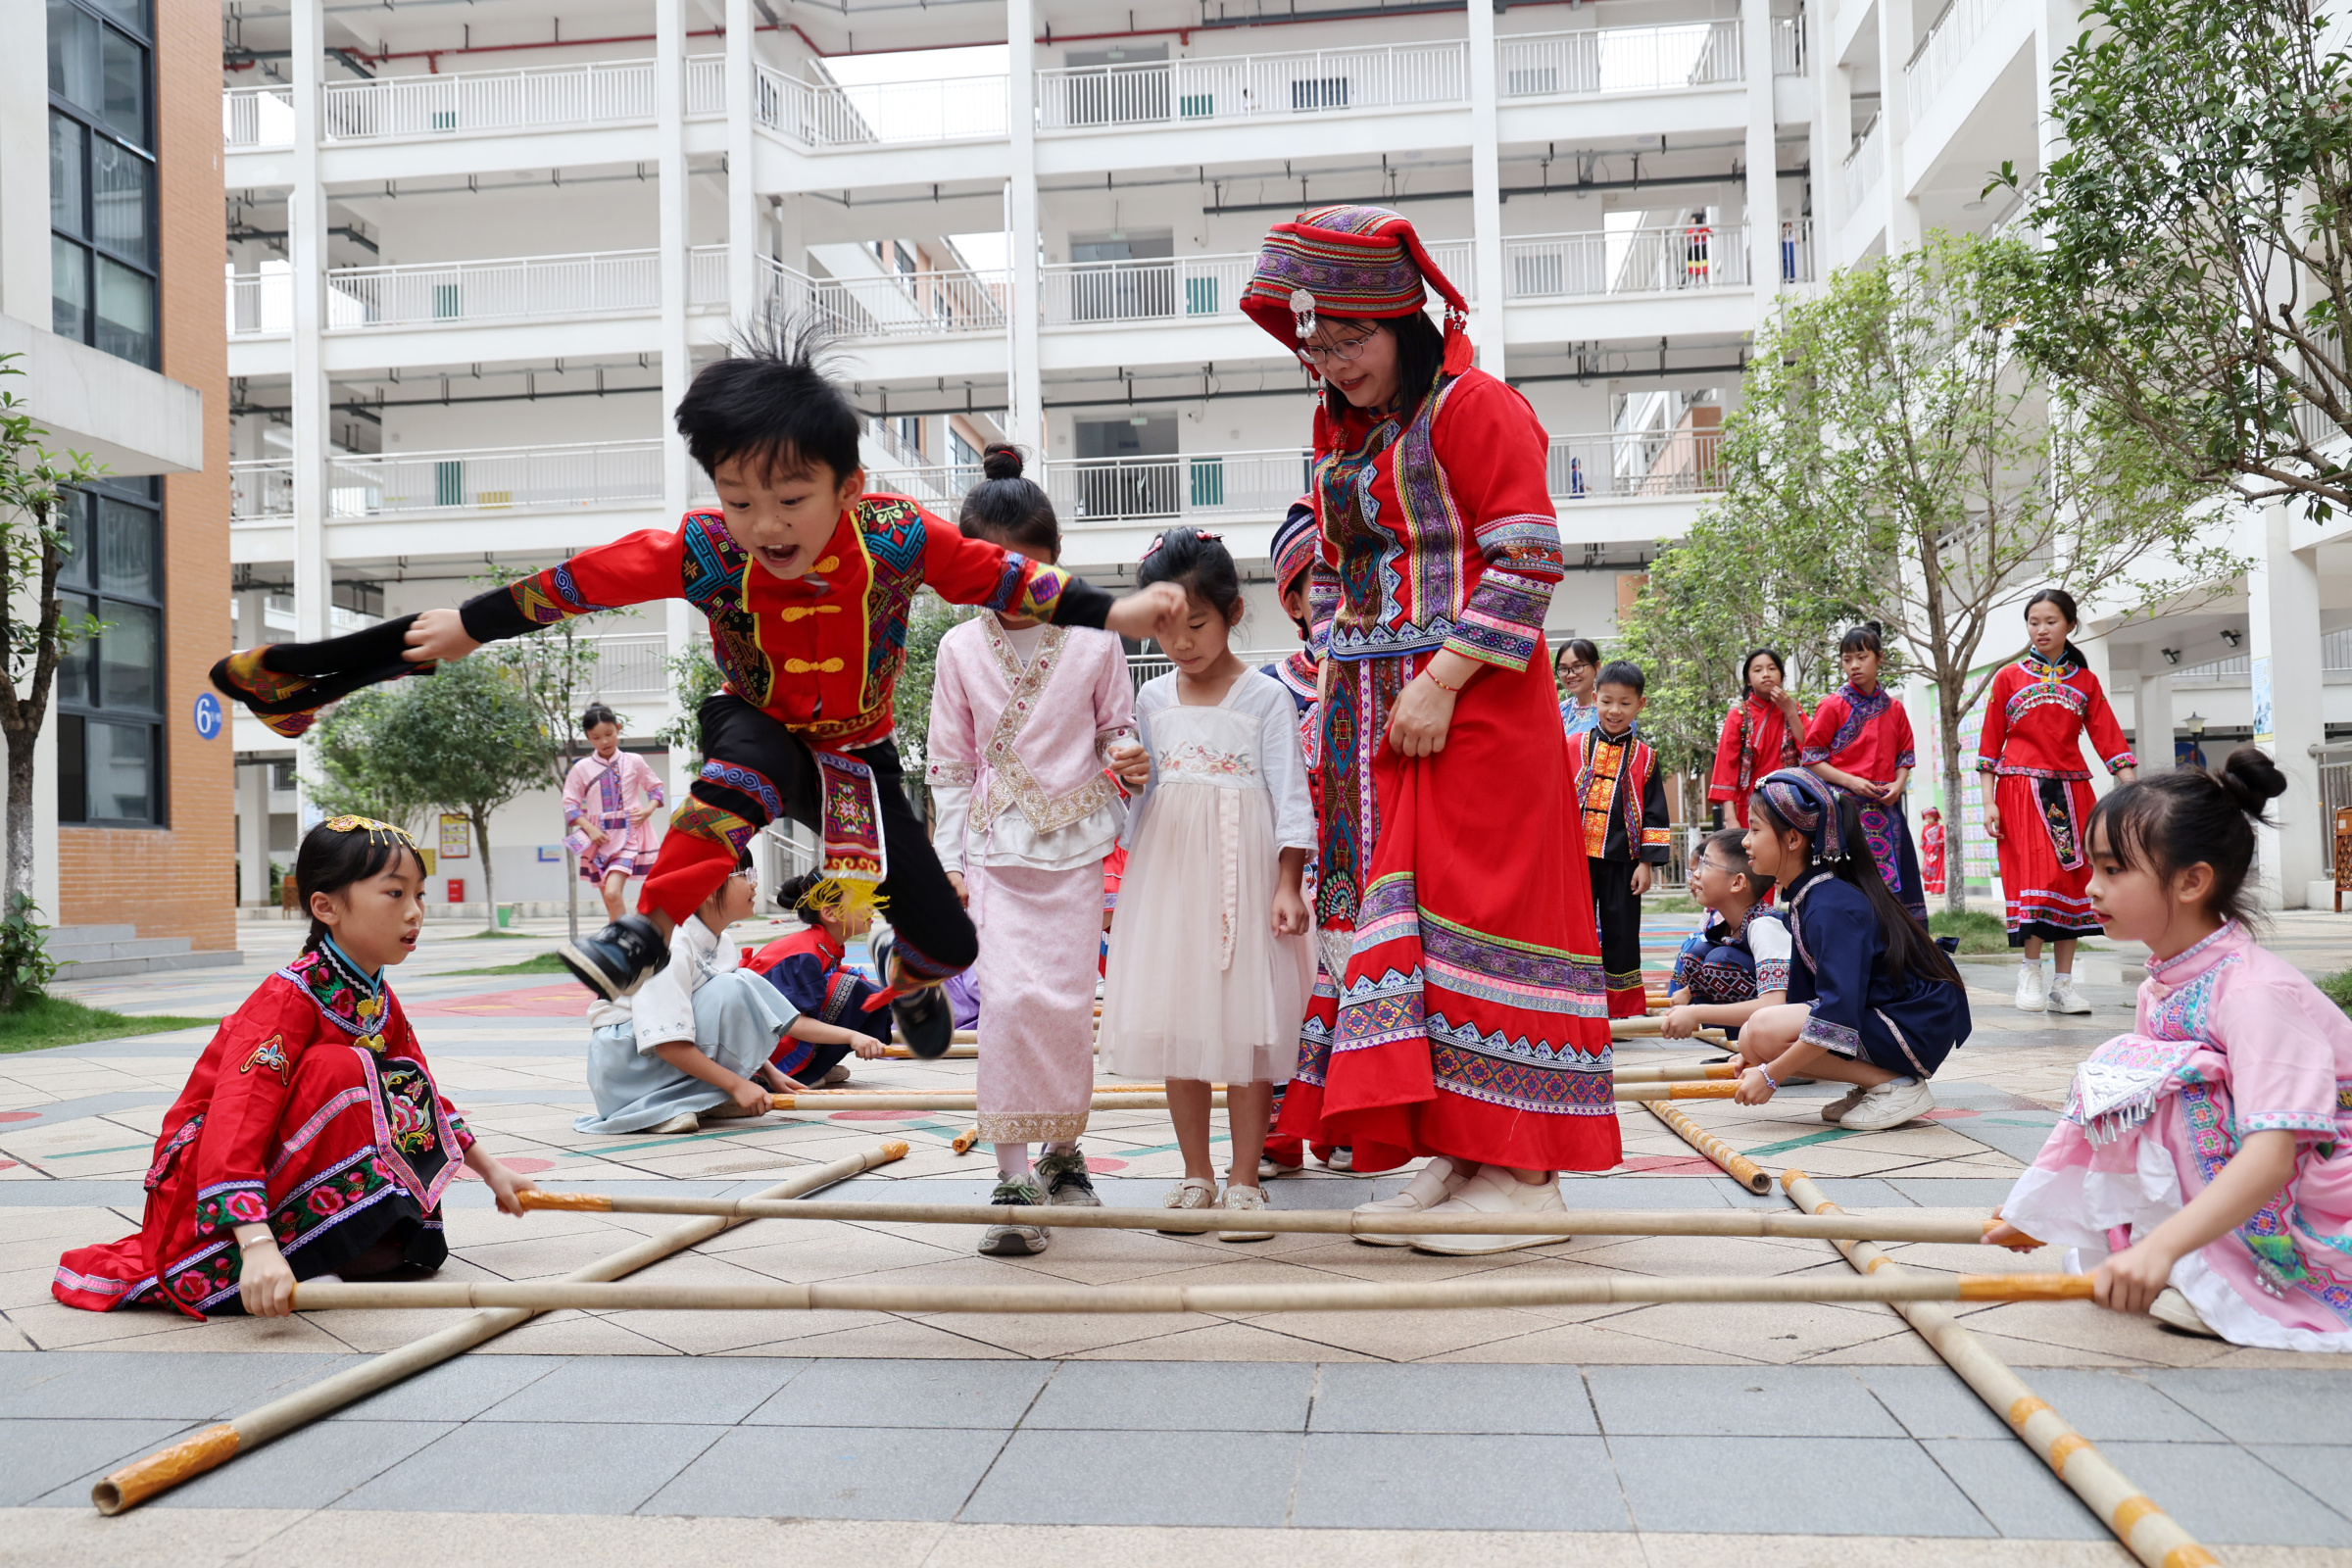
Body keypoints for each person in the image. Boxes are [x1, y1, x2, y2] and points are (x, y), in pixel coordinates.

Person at [208, 320, 1187, 1056]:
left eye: (791, 500)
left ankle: (914, 973)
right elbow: (578, 583)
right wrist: (470, 622)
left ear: (847, 488)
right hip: (755, 717)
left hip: (858, 753)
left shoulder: (897, 537)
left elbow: (1005, 578)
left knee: (952, 939)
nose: (765, 525)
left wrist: (1118, 612)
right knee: (742, 769)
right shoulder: (704, 550)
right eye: (739, 498)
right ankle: (645, 930)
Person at [1241, 203, 1621, 1255]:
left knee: (1478, 917)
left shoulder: (1476, 406)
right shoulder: (1347, 429)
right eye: (1318, 344)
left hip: (1476, 708)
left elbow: (1530, 558)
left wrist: (1444, 678)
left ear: (1402, 322)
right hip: (1378, 718)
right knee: (1406, 928)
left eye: (1351, 340)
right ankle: (1460, 1155)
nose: (1333, 362)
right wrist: (1337, 662)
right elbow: (1328, 561)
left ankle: (1526, 1175)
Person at [54, 817, 537, 1318]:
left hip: (272, 1171)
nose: (415, 912)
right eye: (395, 894)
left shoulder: (375, 997)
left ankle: (324, 1242)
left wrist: (493, 1172)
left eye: (419, 895)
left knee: (390, 1077)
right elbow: (236, 1122)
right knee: (338, 1067)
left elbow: (422, 1095)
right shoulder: (286, 998)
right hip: (208, 1185)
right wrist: (256, 1244)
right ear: (326, 907)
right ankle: (286, 1249)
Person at [1987, 751, 2351, 1348]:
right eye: (2093, 866)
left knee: (2180, 1092)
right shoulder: (2166, 981)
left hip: (2320, 1196)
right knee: (2135, 1074)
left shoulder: (2255, 994)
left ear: (2190, 881)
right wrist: (2038, 1211)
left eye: (2112, 869)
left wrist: (2159, 1249)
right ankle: (2179, 1256)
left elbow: (2272, 1156)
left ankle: (2213, 1270)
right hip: (2278, 1177)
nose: (2091, 887)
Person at [926, 443, 1135, 1255]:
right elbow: (948, 767)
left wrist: (1128, 755)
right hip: (994, 853)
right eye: (993, 567)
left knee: (1065, 1010)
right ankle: (1012, 1177)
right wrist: (947, 863)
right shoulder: (956, 650)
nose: (1012, 583)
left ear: (1055, 561)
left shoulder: (1096, 637)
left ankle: (1063, 1153)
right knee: (1009, 1005)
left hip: (1076, 850)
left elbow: (1118, 729)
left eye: (1028, 565)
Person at [1102, 527, 1316, 1241]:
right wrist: (1127, 778)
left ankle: (1245, 1180)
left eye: (1197, 624)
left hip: (1244, 879)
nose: (1182, 642)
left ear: (1233, 612)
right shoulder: (1151, 699)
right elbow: (1142, 798)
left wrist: (1287, 885)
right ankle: (1196, 1174)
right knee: (1181, 1023)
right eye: (1166, 629)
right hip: (1170, 880)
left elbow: (1291, 798)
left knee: (1247, 1031)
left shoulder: (1265, 698)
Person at [575, 855, 885, 1135]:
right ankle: (654, 1106)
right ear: (710, 888)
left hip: (655, 1056)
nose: (754, 883)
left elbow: (739, 1012)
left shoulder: (721, 943)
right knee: (733, 986)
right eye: (745, 874)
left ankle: (703, 1097)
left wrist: (771, 1074)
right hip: (627, 1071)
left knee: (740, 983)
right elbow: (666, 1043)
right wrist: (738, 1084)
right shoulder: (672, 945)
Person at [1732, 769, 1972, 1130]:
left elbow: (1838, 1013)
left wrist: (1771, 1074)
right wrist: (1759, 1057)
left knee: (1764, 1031)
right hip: (1889, 1018)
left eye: (1754, 829)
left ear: (1793, 838)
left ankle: (1897, 1085)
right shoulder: (1810, 896)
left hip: (1914, 1025)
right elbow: (1809, 997)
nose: (1746, 842)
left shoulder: (1830, 906)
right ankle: (1875, 1083)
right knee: (1753, 1038)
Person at [1978, 588, 2138, 1014]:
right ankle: (2030, 971)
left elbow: (2109, 738)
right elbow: (1989, 744)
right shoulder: (2008, 678)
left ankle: (2063, 984)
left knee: (2072, 882)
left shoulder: (2085, 682)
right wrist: (1988, 801)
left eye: (2050, 621)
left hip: (2072, 791)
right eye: (2034, 622)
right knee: (2036, 880)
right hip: (2020, 791)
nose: (2041, 629)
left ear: (2070, 624)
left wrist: (2134, 790)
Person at [1256, 498, 1336, 1179]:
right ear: (1293, 601)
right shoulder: (1266, 690)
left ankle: (1348, 1127)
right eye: (1322, 581)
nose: (1339, 594)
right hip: (1290, 875)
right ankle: (1279, 1133)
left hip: (1366, 872)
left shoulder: (1392, 678)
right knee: (1284, 1000)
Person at [1566, 661, 1672, 1019]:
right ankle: (1574, 1004)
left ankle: (1620, 1010)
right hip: (1575, 861)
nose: (1615, 710)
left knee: (1623, 934)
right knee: (1573, 930)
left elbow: (1655, 813)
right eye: (1607, 701)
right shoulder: (1572, 745)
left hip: (1624, 863)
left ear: (1640, 705)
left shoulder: (1647, 757)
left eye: (1625, 703)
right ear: (1595, 698)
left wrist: (1646, 864)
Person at [1803, 621, 1928, 927]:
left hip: (1887, 812)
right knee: (1853, 886)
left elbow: (1905, 756)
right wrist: (1852, 782)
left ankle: (1898, 947)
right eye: (1847, 659)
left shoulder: (1894, 708)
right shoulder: (1832, 705)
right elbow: (1812, 758)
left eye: (1862, 657)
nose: (1854, 666)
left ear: (1879, 658)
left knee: (1897, 891)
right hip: (1845, 813)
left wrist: (1899, 784)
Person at [744, 867, 892, 1086]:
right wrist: (852, 1037)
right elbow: (792, 1023)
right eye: (860, 898)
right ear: (830, 913)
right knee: (849, 987)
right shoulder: (804, 954)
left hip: (764, 1041)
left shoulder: (822, 945)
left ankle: (815, 1067)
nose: (870, 905)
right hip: (755, 1053)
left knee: (858, 988)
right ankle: (792, 1074)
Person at [1660, 828, 1790, 1044]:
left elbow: (1775, 1004)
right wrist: (1690, 991)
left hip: (1793, 1023)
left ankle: (1767, 1048)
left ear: (1737, 883)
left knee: (1720, 961)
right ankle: (1747, 1046)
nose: (1697, 874)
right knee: (1697, 954)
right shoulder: (1730, 925)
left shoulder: (1764, 926)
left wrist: (1697, 1013)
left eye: (1707, 865)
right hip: (1767, 1021)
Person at [563, 704, 665, 923]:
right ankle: (620, 937)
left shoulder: (634, 761)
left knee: (611, 893)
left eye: (609, 734)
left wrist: (647, 810)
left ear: (618, 728)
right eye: (596, 737)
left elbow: (655, 788)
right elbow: (570, 804)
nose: (604, 741)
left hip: (630, 834)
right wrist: (590, 829)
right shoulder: (581, 768)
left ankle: (627, 934)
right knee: (611, 901)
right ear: (588, 738)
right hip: (598, 839)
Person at [1707, 648, 1805, 829]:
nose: (1766, 674)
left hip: (1789, 800)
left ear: (1781, 676)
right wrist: (1730, 818)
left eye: (1772, 668)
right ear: (1748, 680)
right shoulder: (1738, 715)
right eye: (1758, 670)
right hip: (1749, 803)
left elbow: (1811, 749)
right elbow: (1726, 768)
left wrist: (1790, 712)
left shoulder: (1793, 708)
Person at [1555, 637, 1602, 740]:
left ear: (1596, 667)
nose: (1570, 675)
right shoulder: (1559, 710)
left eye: (1577, 666)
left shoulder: (1610, 711)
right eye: (1564, 668)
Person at [1921, 806, 1947, 898]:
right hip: (1928, 851)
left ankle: (1938, 890)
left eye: (1929, 817)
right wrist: (1924, 851)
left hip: (1938, 852)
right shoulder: (1925, 828)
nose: (1927, 820)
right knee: (1926, 870)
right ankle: (1930, 889)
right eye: (1926, 818)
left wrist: (1940, 842)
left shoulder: (1940, 827)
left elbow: (1944, 838)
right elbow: (1923, 840)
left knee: (1938, 870)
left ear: (1934, 817)